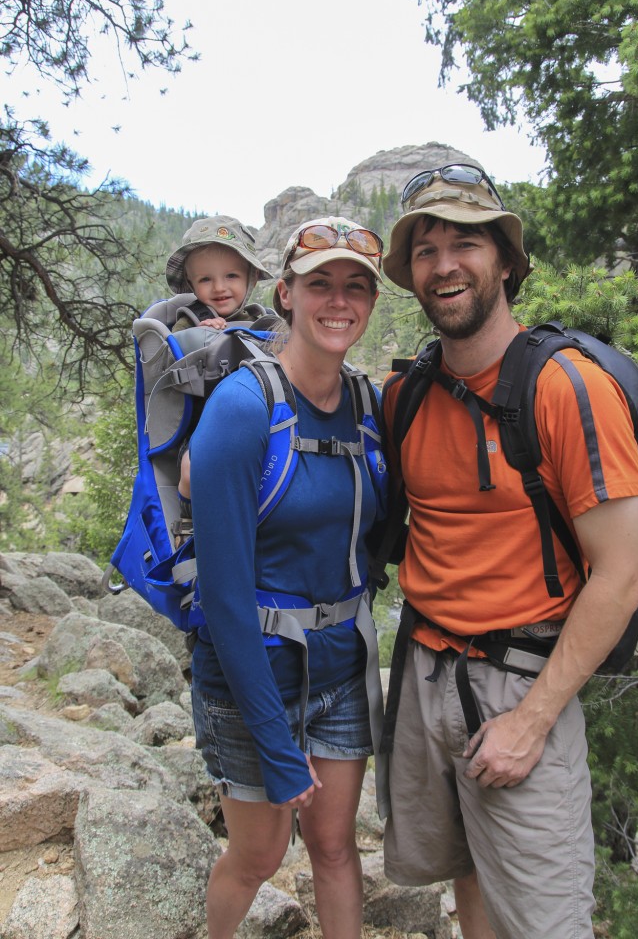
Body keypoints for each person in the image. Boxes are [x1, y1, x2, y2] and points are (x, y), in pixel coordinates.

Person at [379, 155, 638, 939]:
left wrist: (531, 722)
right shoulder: (408, 396)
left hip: (523, 683)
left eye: (464, 241)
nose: (444, 264)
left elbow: (623, 574)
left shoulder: (564, 387)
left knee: (545, 917)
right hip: (426, 675)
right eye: (425, 250)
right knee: (469, 878)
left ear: (503, 258)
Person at [188, 216, 386, 939]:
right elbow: (225, 596)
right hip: (248, 678)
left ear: (369, 302)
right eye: (320, 285)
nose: (338, 301)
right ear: (286, 294)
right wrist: (275, 741)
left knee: (335, 848)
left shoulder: (368, 405)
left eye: (355, 286)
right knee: (260, 852)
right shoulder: (244, 409)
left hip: (339, 668)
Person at [164, 215, 273, 528]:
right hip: (203, 425)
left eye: (231, 276)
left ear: (250, 278)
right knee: (191, 468)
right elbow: (175, 356)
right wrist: (201, 336)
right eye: (206, 280)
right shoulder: (189, 320)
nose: (220, 288)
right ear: (191, 284)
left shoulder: (261, 320)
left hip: (262, 425)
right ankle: (191, 524)